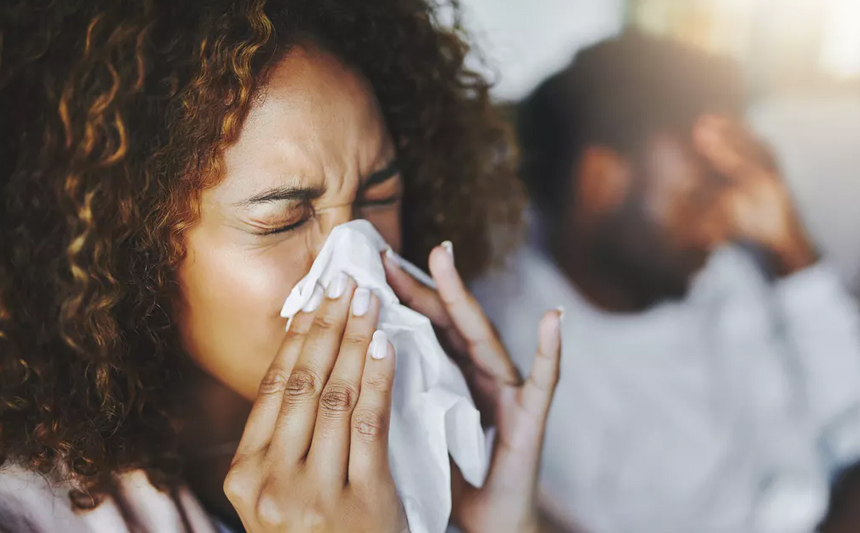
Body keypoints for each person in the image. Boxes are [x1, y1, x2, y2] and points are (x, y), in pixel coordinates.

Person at [0, 1, 565, 532]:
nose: (357, 266)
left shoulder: (434, 462)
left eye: (379, 195)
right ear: (128, 245)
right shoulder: (27, 513)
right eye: (284, 220)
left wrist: (500, 521)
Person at [472, 31, 860, 533]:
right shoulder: (519, 364)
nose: (722, 225)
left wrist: (793, 253)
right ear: (600, 181)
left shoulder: (710, 271)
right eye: (699, 194)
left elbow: (849, 414)